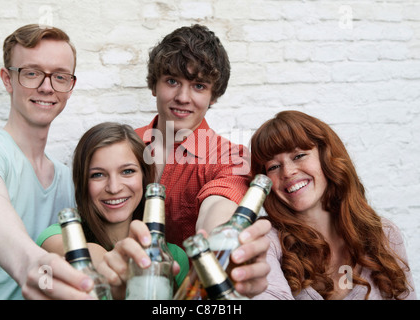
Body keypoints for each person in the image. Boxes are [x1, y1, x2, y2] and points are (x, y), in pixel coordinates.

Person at [134, 24, 271, 297]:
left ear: (213, 95)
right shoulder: (124, 146)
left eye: (198, 86)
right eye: (172, 81)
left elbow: (219, 209)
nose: (183, 98)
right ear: (154, 85)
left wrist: (220, 240)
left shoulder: (230, 158)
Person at [0, 24, 96, 299]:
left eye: (60, 77)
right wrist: (28, 262)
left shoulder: (68, 178)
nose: (46, 87)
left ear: (70, 86)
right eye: (31, 73)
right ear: (7, 79)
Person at [250, 110, 417, 300]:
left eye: (298, 156)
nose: (287, 172)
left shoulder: (383, 234)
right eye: (273, 166)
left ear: (326, 156)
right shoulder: (265, 240)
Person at [37, 122, 189, 299]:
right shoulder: (57, 234)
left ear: (144, 177)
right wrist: (110, 262)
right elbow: (81, 254)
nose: (114, 188)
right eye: (98, 175)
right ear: (83, 183)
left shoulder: (174, 256)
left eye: (127, 171)